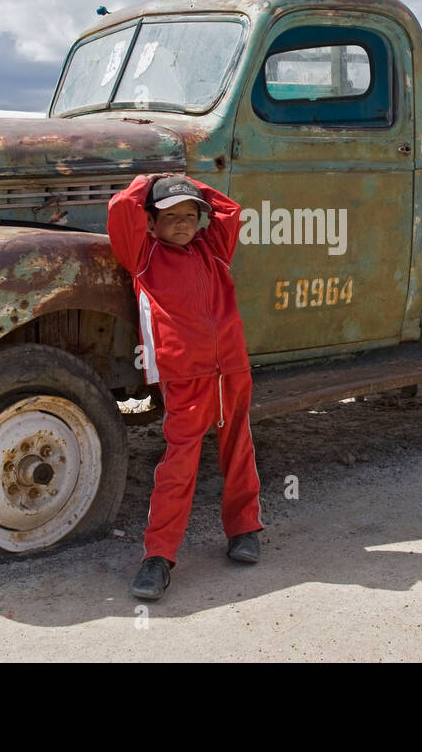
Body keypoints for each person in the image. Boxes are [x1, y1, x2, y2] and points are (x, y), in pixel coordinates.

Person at [106, 172, 263, 600]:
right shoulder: (143, 255)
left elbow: (230, 211)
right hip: (184, 375)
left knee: (239, 449)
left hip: (230, 367)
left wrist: (188, 186)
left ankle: (245, 530)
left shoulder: (213, 251)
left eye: (190, 215)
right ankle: (158, 557)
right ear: (151, 222)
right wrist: (152, 180)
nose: (181, 223)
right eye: (170, 215)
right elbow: (122, 208)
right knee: (180, 464)